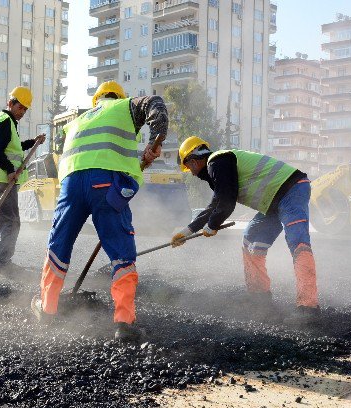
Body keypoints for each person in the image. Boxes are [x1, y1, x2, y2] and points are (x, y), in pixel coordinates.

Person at [30, 81, 169, 342]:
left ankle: (47, 310)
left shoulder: (77, 121)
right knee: (121, 252)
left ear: (96, 100)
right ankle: (124, 324)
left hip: (70, 185)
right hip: (105, 185)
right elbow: (156, 104)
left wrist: (140, 160)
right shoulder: (123, 106)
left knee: (58, 246)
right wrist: (155, 142)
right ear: (117, 97)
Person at [170, 136, 320, 324]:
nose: (191, 173)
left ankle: (308, 307)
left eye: (189, 168)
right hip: (272, 202)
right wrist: (187, 232)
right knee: (252, 239)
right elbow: (215, 206)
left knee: (298, 241)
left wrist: (212, 225)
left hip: (291, 189)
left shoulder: (218, 162)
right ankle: (259, 297)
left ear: (193, 161)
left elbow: (226, 202)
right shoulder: (217, 168)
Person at [0, 86, 45, 275]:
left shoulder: (9, 123)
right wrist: (9, 170)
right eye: (20, 107)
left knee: (6, 219)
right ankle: (3, 263)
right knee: (12, 221)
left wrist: (33, 142)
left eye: (25, 109)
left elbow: (13, 149)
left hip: (1, 178)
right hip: (1, 178)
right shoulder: (4, 121)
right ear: (10, 103)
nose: (22, 112)